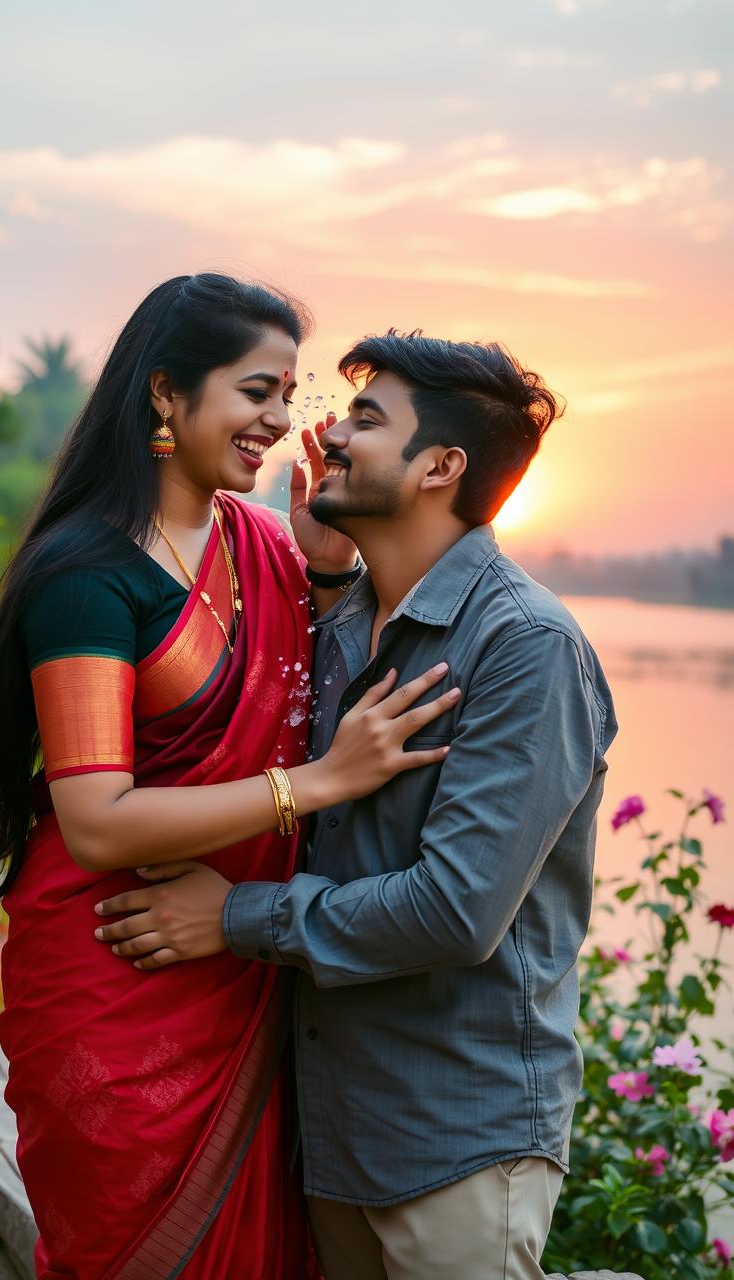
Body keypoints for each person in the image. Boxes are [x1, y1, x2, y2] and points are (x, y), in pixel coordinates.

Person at [0, 283, 458, 1280]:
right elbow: (95, 820)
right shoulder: (87, 573)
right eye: (256, 389)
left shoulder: (266, 544)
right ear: (166, 396)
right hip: (116, 967)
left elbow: (290, 686)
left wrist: (323, 573)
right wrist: (313, 784)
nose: (281, 418)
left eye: (288, 391)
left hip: (238, 962)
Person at [95, 331, 618, 1280]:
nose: (329, 435)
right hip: (333, 1127)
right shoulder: (345, 619)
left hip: (455, 1136)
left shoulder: (524, 646)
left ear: (441, 467)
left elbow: (455, 911)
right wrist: (331, 578)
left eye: (369, 421)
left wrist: (231, 916)